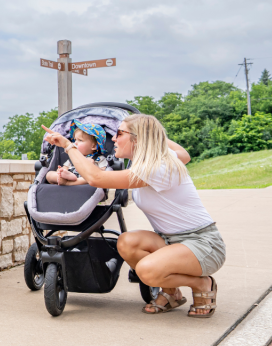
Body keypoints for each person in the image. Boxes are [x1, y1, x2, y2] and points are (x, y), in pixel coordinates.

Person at [41, 114, 224, 318]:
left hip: (202, 244)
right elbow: (184, 154)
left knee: (146, 272)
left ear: (138, 139)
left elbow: (96, 177)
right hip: (169, 240)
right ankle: (171, 293)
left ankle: (202, 282)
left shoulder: (157, 167)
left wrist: (68, 146)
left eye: (119, 133)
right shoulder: (153, 161)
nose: (113, 139)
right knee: (126, 242)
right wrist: (150, 132)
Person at [45, 120, 109, 186]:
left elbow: (103, 174)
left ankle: (70, 183)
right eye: (75, 140)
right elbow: (65, 168)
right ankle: (68, 178)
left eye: (80, 140)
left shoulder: (99, 158)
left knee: (93, 178)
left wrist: (93, 166)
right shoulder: (73, 156)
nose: (75, 143)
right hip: (70, 176)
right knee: (49, 174)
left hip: (85, 178)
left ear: (93, 146)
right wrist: (61, 172)